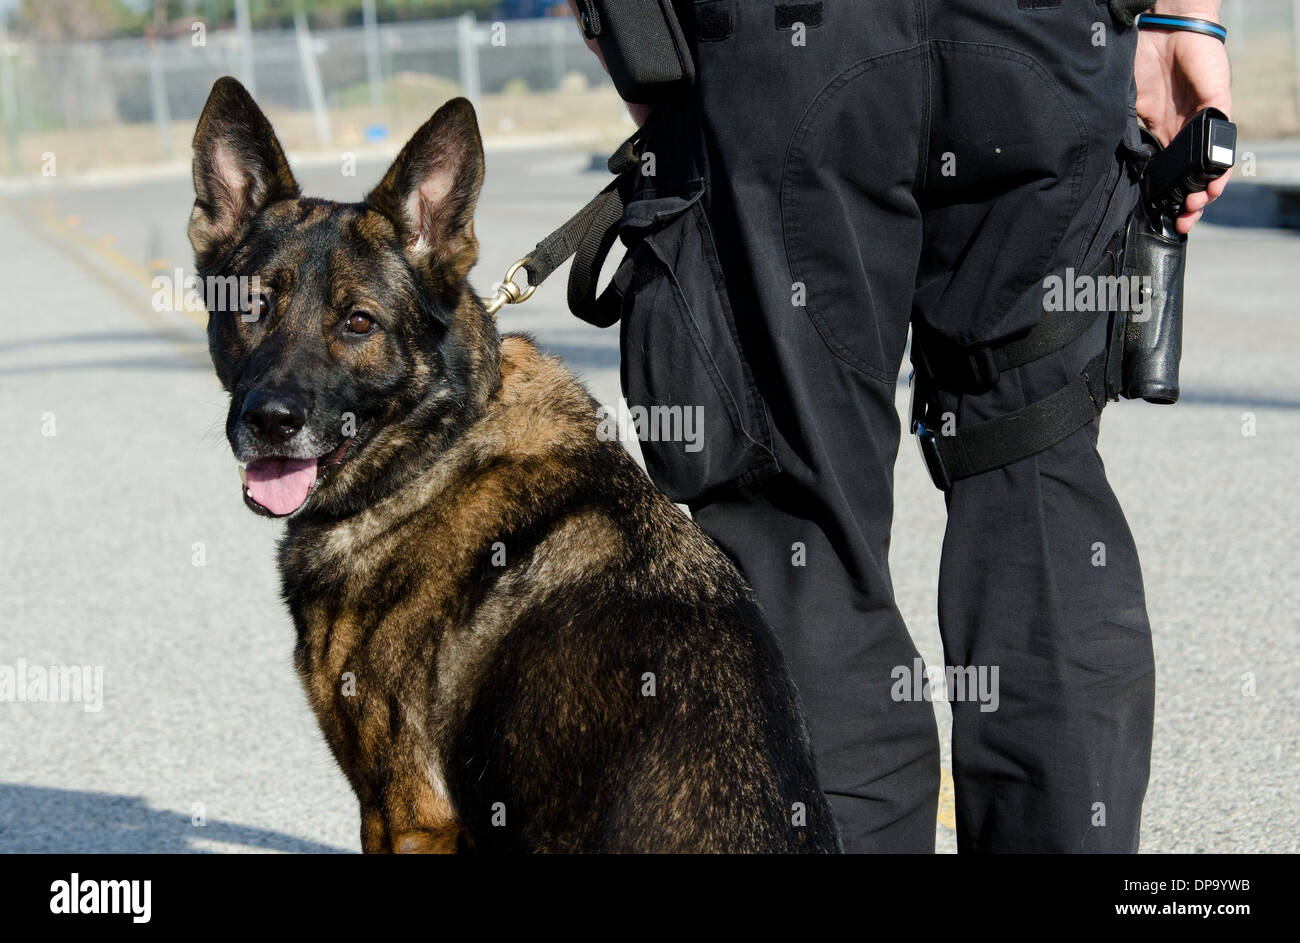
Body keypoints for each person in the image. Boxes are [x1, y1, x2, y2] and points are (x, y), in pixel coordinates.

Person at [568, 0, 1231, 852]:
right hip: (1043, 35)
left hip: (786, 46)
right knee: (1038, 473)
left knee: (798, 523)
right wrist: (1186, 18)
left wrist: (635, 39)